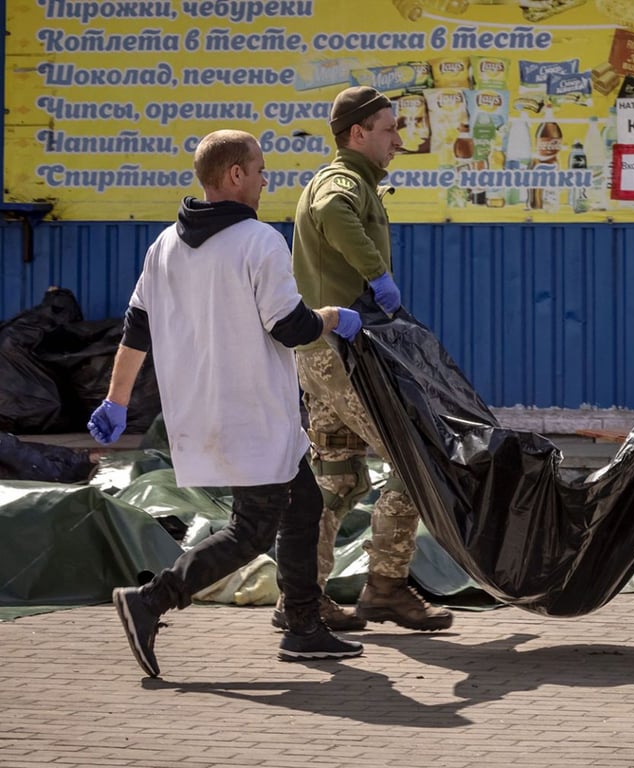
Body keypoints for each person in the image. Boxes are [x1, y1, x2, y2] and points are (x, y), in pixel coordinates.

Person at [88, 129, 365, 678]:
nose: (267, 178)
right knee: (253, 530)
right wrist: (334, 318)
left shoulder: (164, 245)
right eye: (260, 168)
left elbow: (136, 329)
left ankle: (304, 624)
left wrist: (115, 400)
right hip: (253, 414)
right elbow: (290, 327)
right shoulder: (259, 240)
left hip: (207, 413)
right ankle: (152, 599)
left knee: (302, 506)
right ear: (235, 175)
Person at [271, 85, 453, 633]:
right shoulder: (342, 181)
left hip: (318, 355)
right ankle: (386, 589)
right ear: (357, 134)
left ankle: (302, 596)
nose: (399, 139)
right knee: (413, 457)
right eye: (389, 129)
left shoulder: (354, 181)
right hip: (343, 355)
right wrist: (377, 274)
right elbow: (332, 210)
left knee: (337, 477)